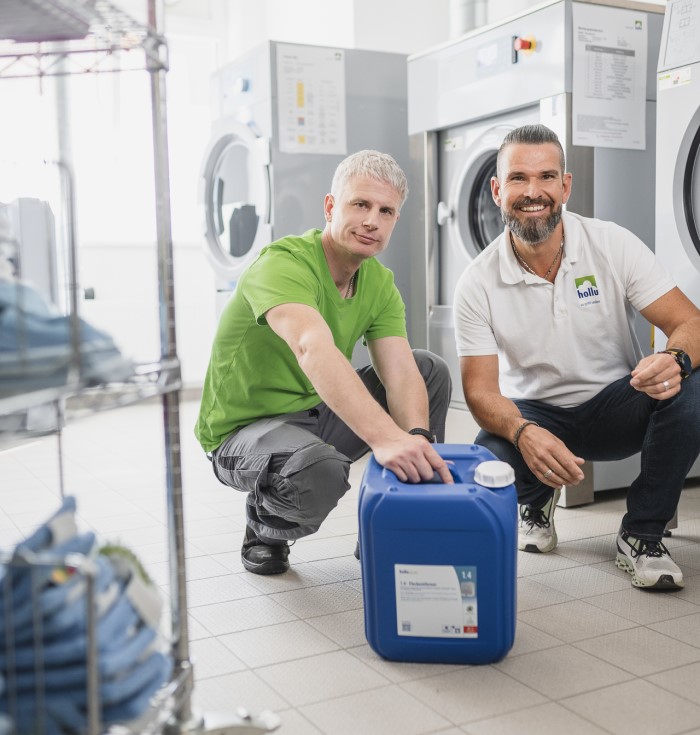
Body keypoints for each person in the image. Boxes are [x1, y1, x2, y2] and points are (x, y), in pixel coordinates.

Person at [454, 124, 700, 591]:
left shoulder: (611, 243)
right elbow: (480, 392)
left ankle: (642, 533)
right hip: (537, 417)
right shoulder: (477, 280)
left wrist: (676, 360)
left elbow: (692, 324)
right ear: (496, 189)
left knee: (695, 386)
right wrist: (524, 433)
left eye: (547, 177)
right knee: (489, 453)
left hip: (619, 402)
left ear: (565, 186)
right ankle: (535, 500)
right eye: (518, 178)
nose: (533, 192)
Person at [195, 149, 453, 575]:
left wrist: (416, 439)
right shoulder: (283, 264)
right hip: (242, 432)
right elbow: (312, 347)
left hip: (317, 412)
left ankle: (396, 518)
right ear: (331, 206)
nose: (373, 220)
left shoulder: (378, 283)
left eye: (386, 211)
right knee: (318, 471)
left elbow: (402, 371)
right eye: (361, 204)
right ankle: (266, 526)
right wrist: (386, 439)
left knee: (429, 370)